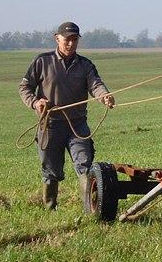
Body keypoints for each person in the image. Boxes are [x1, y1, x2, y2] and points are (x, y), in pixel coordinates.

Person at [19, 21, 115, 210]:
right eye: (67, 39)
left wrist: (104, 96)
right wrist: (35, 102)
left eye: (74, 40)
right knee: (51, 171)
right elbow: (25, 87)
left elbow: (95, 85)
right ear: (57, 39)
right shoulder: (42, 61)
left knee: (85, 166)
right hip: (50, 125)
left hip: (77, 126)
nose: (71, 43)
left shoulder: (85, 65)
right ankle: (50, 208)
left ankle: (90, 210)